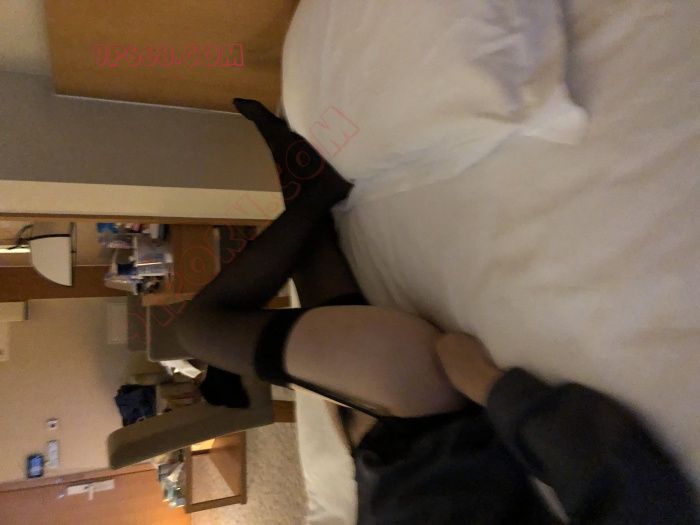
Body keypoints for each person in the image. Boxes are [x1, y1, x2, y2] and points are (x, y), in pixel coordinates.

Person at [175, 99, 698, 524]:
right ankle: (314, 193)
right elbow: (634, 490)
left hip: (389, 448)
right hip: (426, 412)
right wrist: (492, 386)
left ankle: (307, 192)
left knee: (308, 278)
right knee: (199, 328)